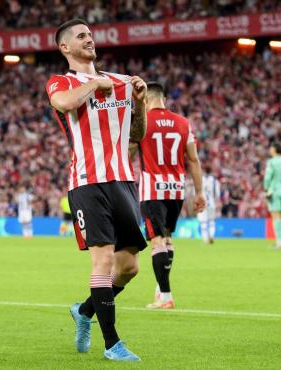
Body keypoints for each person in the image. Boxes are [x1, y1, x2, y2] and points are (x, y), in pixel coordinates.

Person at [46, 18, 148, 361]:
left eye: (90, 34)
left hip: (122, 181)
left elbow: (137, 135)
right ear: (65, 48)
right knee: (103, 260)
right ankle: (112, 344)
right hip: (87, 182)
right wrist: (96, 84)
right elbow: (64, 103)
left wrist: (141, 100)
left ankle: (85, 310)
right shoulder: (62, 81)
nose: (89, 39)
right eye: (81, 36)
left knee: (129, 267)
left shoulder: (120, 81)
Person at [135, 82, 205, 309]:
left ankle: (165, 296)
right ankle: (160, 287)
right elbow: (193, 160)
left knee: (156, 242)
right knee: (166, 238)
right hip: (176, 189)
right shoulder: (184, 123)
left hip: (153, 189)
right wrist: (200, 192)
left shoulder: (143, 121)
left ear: (146, 100)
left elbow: (128, 152)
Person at [197, 170, 221, 245]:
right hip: (211, 204)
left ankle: (205, 240)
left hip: (202, 204)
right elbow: (217, 194)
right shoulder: (214, 181)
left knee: (203, 222)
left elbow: (196, 192)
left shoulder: (200, 180)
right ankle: (211, 236)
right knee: (211, 221)